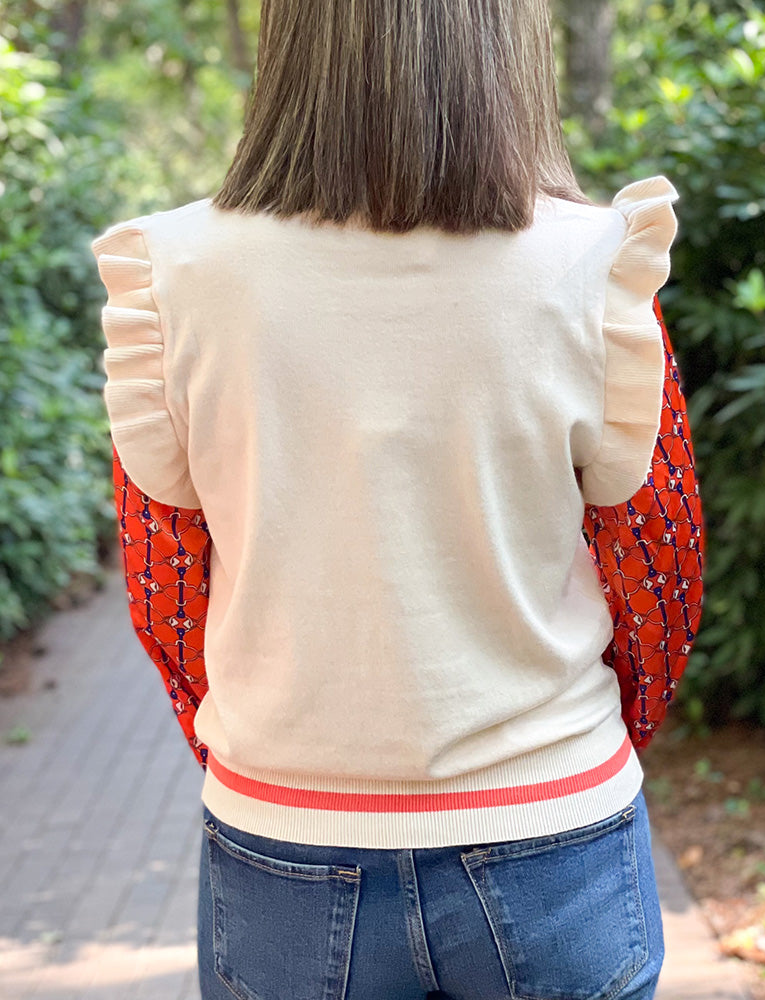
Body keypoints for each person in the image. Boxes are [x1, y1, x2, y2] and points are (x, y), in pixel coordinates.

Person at [90, 0, 704, 997]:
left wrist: (269, 739)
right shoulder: (594, 266)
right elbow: (658, 574)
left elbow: (165, 586)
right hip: (554, 835)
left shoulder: (172, 275)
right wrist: (580, 744)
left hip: (281, 842)